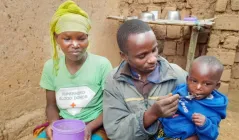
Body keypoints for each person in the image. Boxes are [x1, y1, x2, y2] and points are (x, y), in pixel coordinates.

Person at [103, 19, 198, 140]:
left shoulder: (176, 75)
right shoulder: (114, 81)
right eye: (142, 56)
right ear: (124, 56)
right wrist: (152, 114)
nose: (153, 59)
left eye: (154, 50)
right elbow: (115, 132)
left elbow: (207, 107)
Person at [33, 1, 112, 140]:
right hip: (63, 125)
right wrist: (54, 124)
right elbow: (51, 105)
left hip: (96, 125)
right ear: (56, 38)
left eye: (81, 38)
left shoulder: (102, 65)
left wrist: (90, 128)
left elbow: (111, 106)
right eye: (67, 38)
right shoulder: (51, 67)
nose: (75, 44)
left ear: (88, 38)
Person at [158, 56, 228, 140]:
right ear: (187, 79)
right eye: (194, 81)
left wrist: (205, 124)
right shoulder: (181, 90)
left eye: (207, 84)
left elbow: (212, 135)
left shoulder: (213, 108)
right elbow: (166, 108)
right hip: (163, 133)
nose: (198, 87)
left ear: (216, 86)